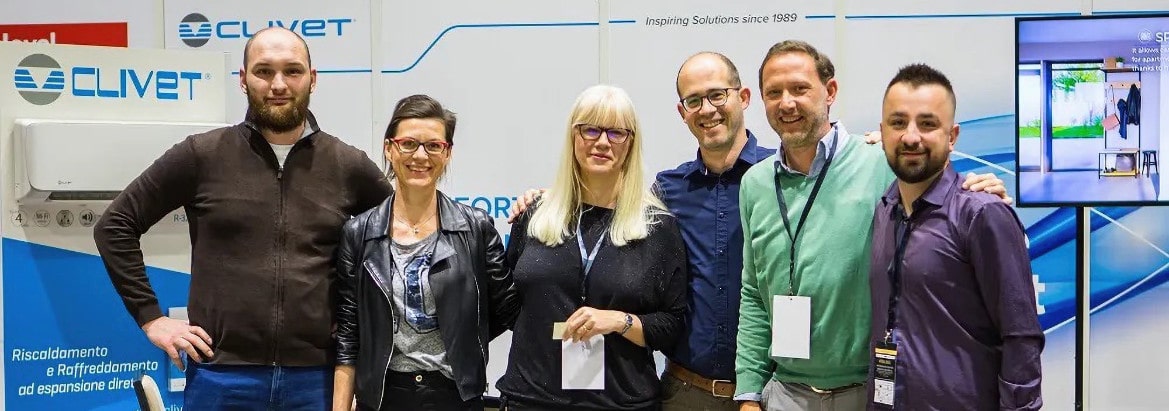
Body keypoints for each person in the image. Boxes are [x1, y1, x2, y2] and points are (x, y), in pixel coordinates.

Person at [93, 27, 391, 409]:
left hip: (317, 379)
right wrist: (151, 318)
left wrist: (362, 313)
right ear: (243, 79)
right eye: (264, 71)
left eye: (292, 71)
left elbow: (400, 240)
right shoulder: (202, 155)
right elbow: (115, 226)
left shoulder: (348, 165)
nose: (278, 84)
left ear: (312, 79)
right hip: (221, 377)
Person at [735, 40, 1010, 411]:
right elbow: (754, 292)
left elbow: (945, 200)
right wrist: (749, 394)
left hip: (871, 390)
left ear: (830, 91)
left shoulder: (881, 161)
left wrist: (979, 189)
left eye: (800, 88)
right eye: (774, 92)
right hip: (786, 392)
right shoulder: (754, 184)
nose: (787, 103)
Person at [497, 84, 688, 410]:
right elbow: (509, 304)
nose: (602, 142)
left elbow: (672, 326)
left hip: (620, 402)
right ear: (573, 136)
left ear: (631, 143)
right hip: (530, 399)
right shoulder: (535, 214)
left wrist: (618, 321)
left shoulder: (656, 227)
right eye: (590, 129)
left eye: (616, 132)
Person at [867, 63, 1043, 410]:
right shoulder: (885, 211)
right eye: (898, 123)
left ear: (952, 136)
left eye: (927, 124)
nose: (911, 137)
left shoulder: (981, 213)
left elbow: (1020, 336)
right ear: (882, 132)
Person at [332, 94, 520, 411]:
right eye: (408, 144)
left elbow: (509, 311)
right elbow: (349, 336)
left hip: (456, 397)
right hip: (383, 398)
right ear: (389, 149)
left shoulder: (476, 228)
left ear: (447, 153)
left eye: (433, 145)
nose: (420, 156)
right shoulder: (359, 233)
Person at [654, 52, 773, 410]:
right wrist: (550, 199)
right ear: (682, 112)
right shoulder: (668, 189)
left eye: (717, 95)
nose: (707, 109)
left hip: (771, 393)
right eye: (694, 101)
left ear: (744, 97)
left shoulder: (781, 173)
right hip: (685, 393)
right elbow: (610, 209)